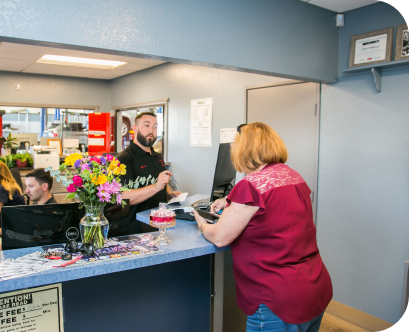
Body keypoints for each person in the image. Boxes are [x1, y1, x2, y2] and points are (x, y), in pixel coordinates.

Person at [193, 122, 332, 332]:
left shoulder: (250, 185)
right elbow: (275, 211)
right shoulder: (293, 177)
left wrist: (202, 224)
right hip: (313, 285)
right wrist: (230, 201)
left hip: (277, 298)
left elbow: (220, 237)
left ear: (244, 150)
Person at [118, 111, 181, 233]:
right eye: (146, 125)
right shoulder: (124, 159)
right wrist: (155, 187)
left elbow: (160, 183)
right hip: (135, 229)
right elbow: (123, 198)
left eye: (155, 126)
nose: (151, 130)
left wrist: (169, 193)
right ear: (135, 129)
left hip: (157, 224)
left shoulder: (157, 157)